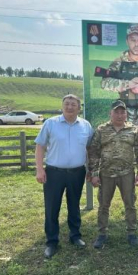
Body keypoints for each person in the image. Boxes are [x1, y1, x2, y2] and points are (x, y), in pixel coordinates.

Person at [35, 94, 93, 259]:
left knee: (74, 205)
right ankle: (52, 242)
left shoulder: (86, 125)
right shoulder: (50, 123)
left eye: (73, 104)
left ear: (79, 107)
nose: (69, 107)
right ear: (62, 106)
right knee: (52, 207)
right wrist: (40, 169)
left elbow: (89, 149)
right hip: (54, 173)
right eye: (66, 104)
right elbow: (40, 146)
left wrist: (90, 169)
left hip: (77, 172)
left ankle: (75, 236)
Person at [88, 100, 138, 248]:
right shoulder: (101, 130)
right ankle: (102, 234)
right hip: (106, 174)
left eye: (122, 112)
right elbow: (93, 152)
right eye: (116, 112)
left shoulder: (133, 130)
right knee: (103, 205)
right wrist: (94, 173)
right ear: (111, 113)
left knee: (130, 204)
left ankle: (132, 232)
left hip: (127, 174)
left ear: (126, 114)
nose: (120, 115)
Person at [100, 23, 138, 136]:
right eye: (133, 40)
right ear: (127, 41)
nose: (136, 43)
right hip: (125, 115)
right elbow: (104, 83)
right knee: (126, 147)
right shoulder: (119, 62)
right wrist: (127, 84)